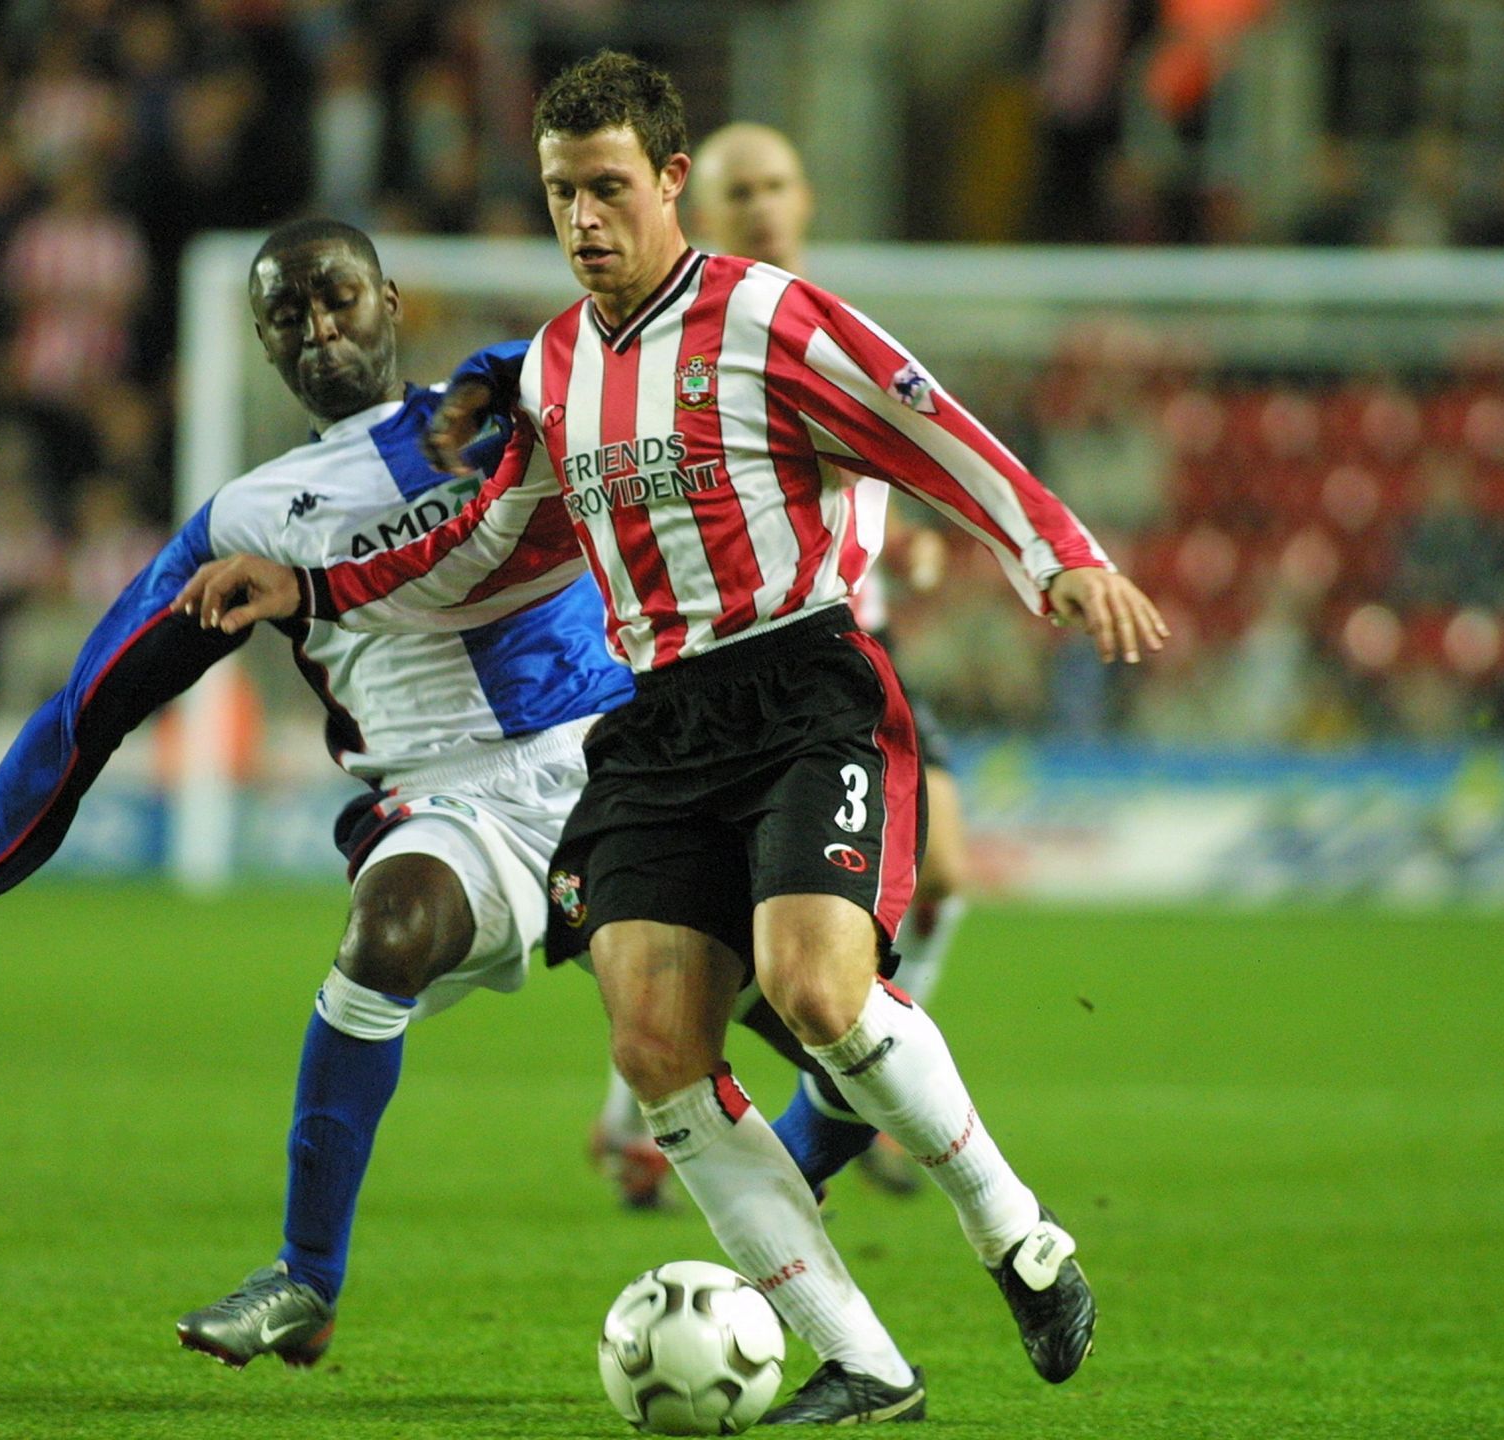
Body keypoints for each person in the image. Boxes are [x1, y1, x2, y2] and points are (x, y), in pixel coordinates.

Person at [177, 51, 1166, 1424]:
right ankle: (865, 1364)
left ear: (670, 182)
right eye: (559, 194)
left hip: (804, 683)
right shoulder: (554, 369)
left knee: (818, 992)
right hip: (656, 723)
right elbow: (487, 541)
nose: (582, 220)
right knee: (655, 1048)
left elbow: (926, 423)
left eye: (606, 190)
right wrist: (316, 589)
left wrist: (1053, 553)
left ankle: (1015, 1233)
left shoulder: (772, 317)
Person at [0, 217, 642, 1372]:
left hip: (611, 757)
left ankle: (916, 1222)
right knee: (385, 932)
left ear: (391, 299)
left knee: (803, 1003)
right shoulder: (245, 517)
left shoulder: (512, 416)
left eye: (337, 297)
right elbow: (91, 703)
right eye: (288, 314)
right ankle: (306, 1278)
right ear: (262, 342)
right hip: (449, 808)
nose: (320, 326)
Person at [585, 119, 978, 1204]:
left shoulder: (831, 327)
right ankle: (700, 1107)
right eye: (737, 189)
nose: (761, 205)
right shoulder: (692, 340)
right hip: (733, 657)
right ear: (694, 207)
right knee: (728, 917)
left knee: (937, 876)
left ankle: (849, 1096)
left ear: (805, 199)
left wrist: (922, 534)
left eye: (777, 184)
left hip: (849, 642)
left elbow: (886, 457)